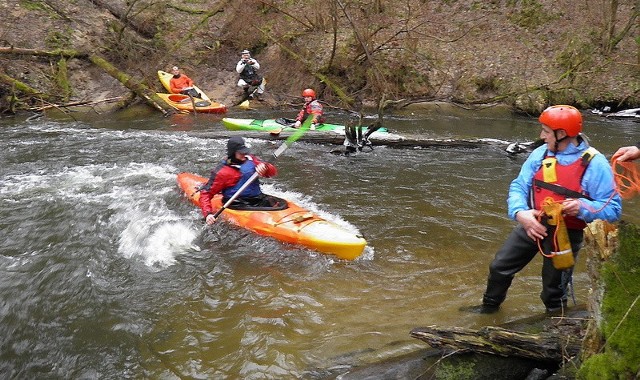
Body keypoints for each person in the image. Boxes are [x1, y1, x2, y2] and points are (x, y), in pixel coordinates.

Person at [467, 105, 622, 314]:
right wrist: (520, 213)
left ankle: (555, 325)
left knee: (553, 290)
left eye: (546, 132)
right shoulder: (541, 154)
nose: (541, 136)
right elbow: (519, 186)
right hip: (534, 223)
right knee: (499, 267)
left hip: (566, 233)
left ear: (562, 134)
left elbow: (613, 209)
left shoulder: (595, 164)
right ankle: (488, 309)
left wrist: (582, 207)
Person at [199, 137, 279, 225]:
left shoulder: (251, 159)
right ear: (233, 153)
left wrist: (265, 167)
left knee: (275, 203)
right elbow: (206, 193)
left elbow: (272, 173)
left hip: (257, 199)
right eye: (241, 152)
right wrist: (208, 214)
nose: (244, 154)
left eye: (244, 151)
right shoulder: (221, 172)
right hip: (238, 204)